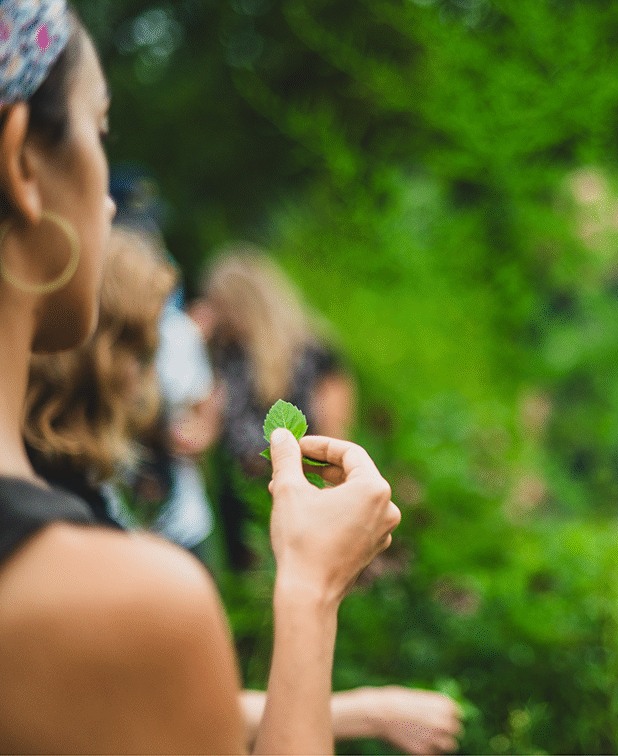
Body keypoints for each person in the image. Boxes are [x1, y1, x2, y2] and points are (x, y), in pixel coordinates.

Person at [0, 3, 400, 751]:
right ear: (24, 162)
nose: (113, 204)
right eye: (101, 130)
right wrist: (310, 592)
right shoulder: (118, 598)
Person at [26, 225, 465, 755]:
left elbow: (175, 707)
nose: (154, 386)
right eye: (143, 354)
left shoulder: (59, 512)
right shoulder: (115, 568)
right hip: (255, 520)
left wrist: (365, 710)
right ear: (98, 361)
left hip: (283, 510)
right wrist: (310, 591)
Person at [189, 246, 357, 570]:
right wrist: (190, 340)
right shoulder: (223, 353)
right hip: (242, 503)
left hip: (300, 496)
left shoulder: (315, 355)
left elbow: (339, 439)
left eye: (221, 305)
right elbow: (202, 428)